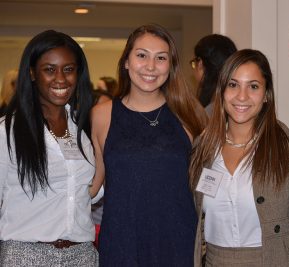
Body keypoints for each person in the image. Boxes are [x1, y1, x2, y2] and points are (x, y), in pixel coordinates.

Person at [91, 24, 208, 266]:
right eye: (142, 55)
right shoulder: (102, 115)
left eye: (161, 58)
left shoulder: (189, 115)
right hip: (121, 245)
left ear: (171, 65)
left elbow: (208, 183)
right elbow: (93, 183)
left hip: (177, 244)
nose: (151, 67)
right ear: (126, 61)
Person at [189, 49, 289, 267]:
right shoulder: (203, 148)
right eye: (233, 84)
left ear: (266, 94)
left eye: (253, 86)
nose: (242, 96)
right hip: (214, 260)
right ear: (221, 91)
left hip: (273, 260)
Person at [0, 30, 98, 266]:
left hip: (81, 255)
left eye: (68, 69)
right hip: (25, 255)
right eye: (49, 69)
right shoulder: (7, 132)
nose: (61, 79)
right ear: (33, 73)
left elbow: (88, 192)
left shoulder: (82, 129)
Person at [190, 34, 237, 115]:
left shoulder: (211, 110)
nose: (193, 70)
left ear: (200, 63)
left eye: (193, 64)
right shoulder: (233, 102)